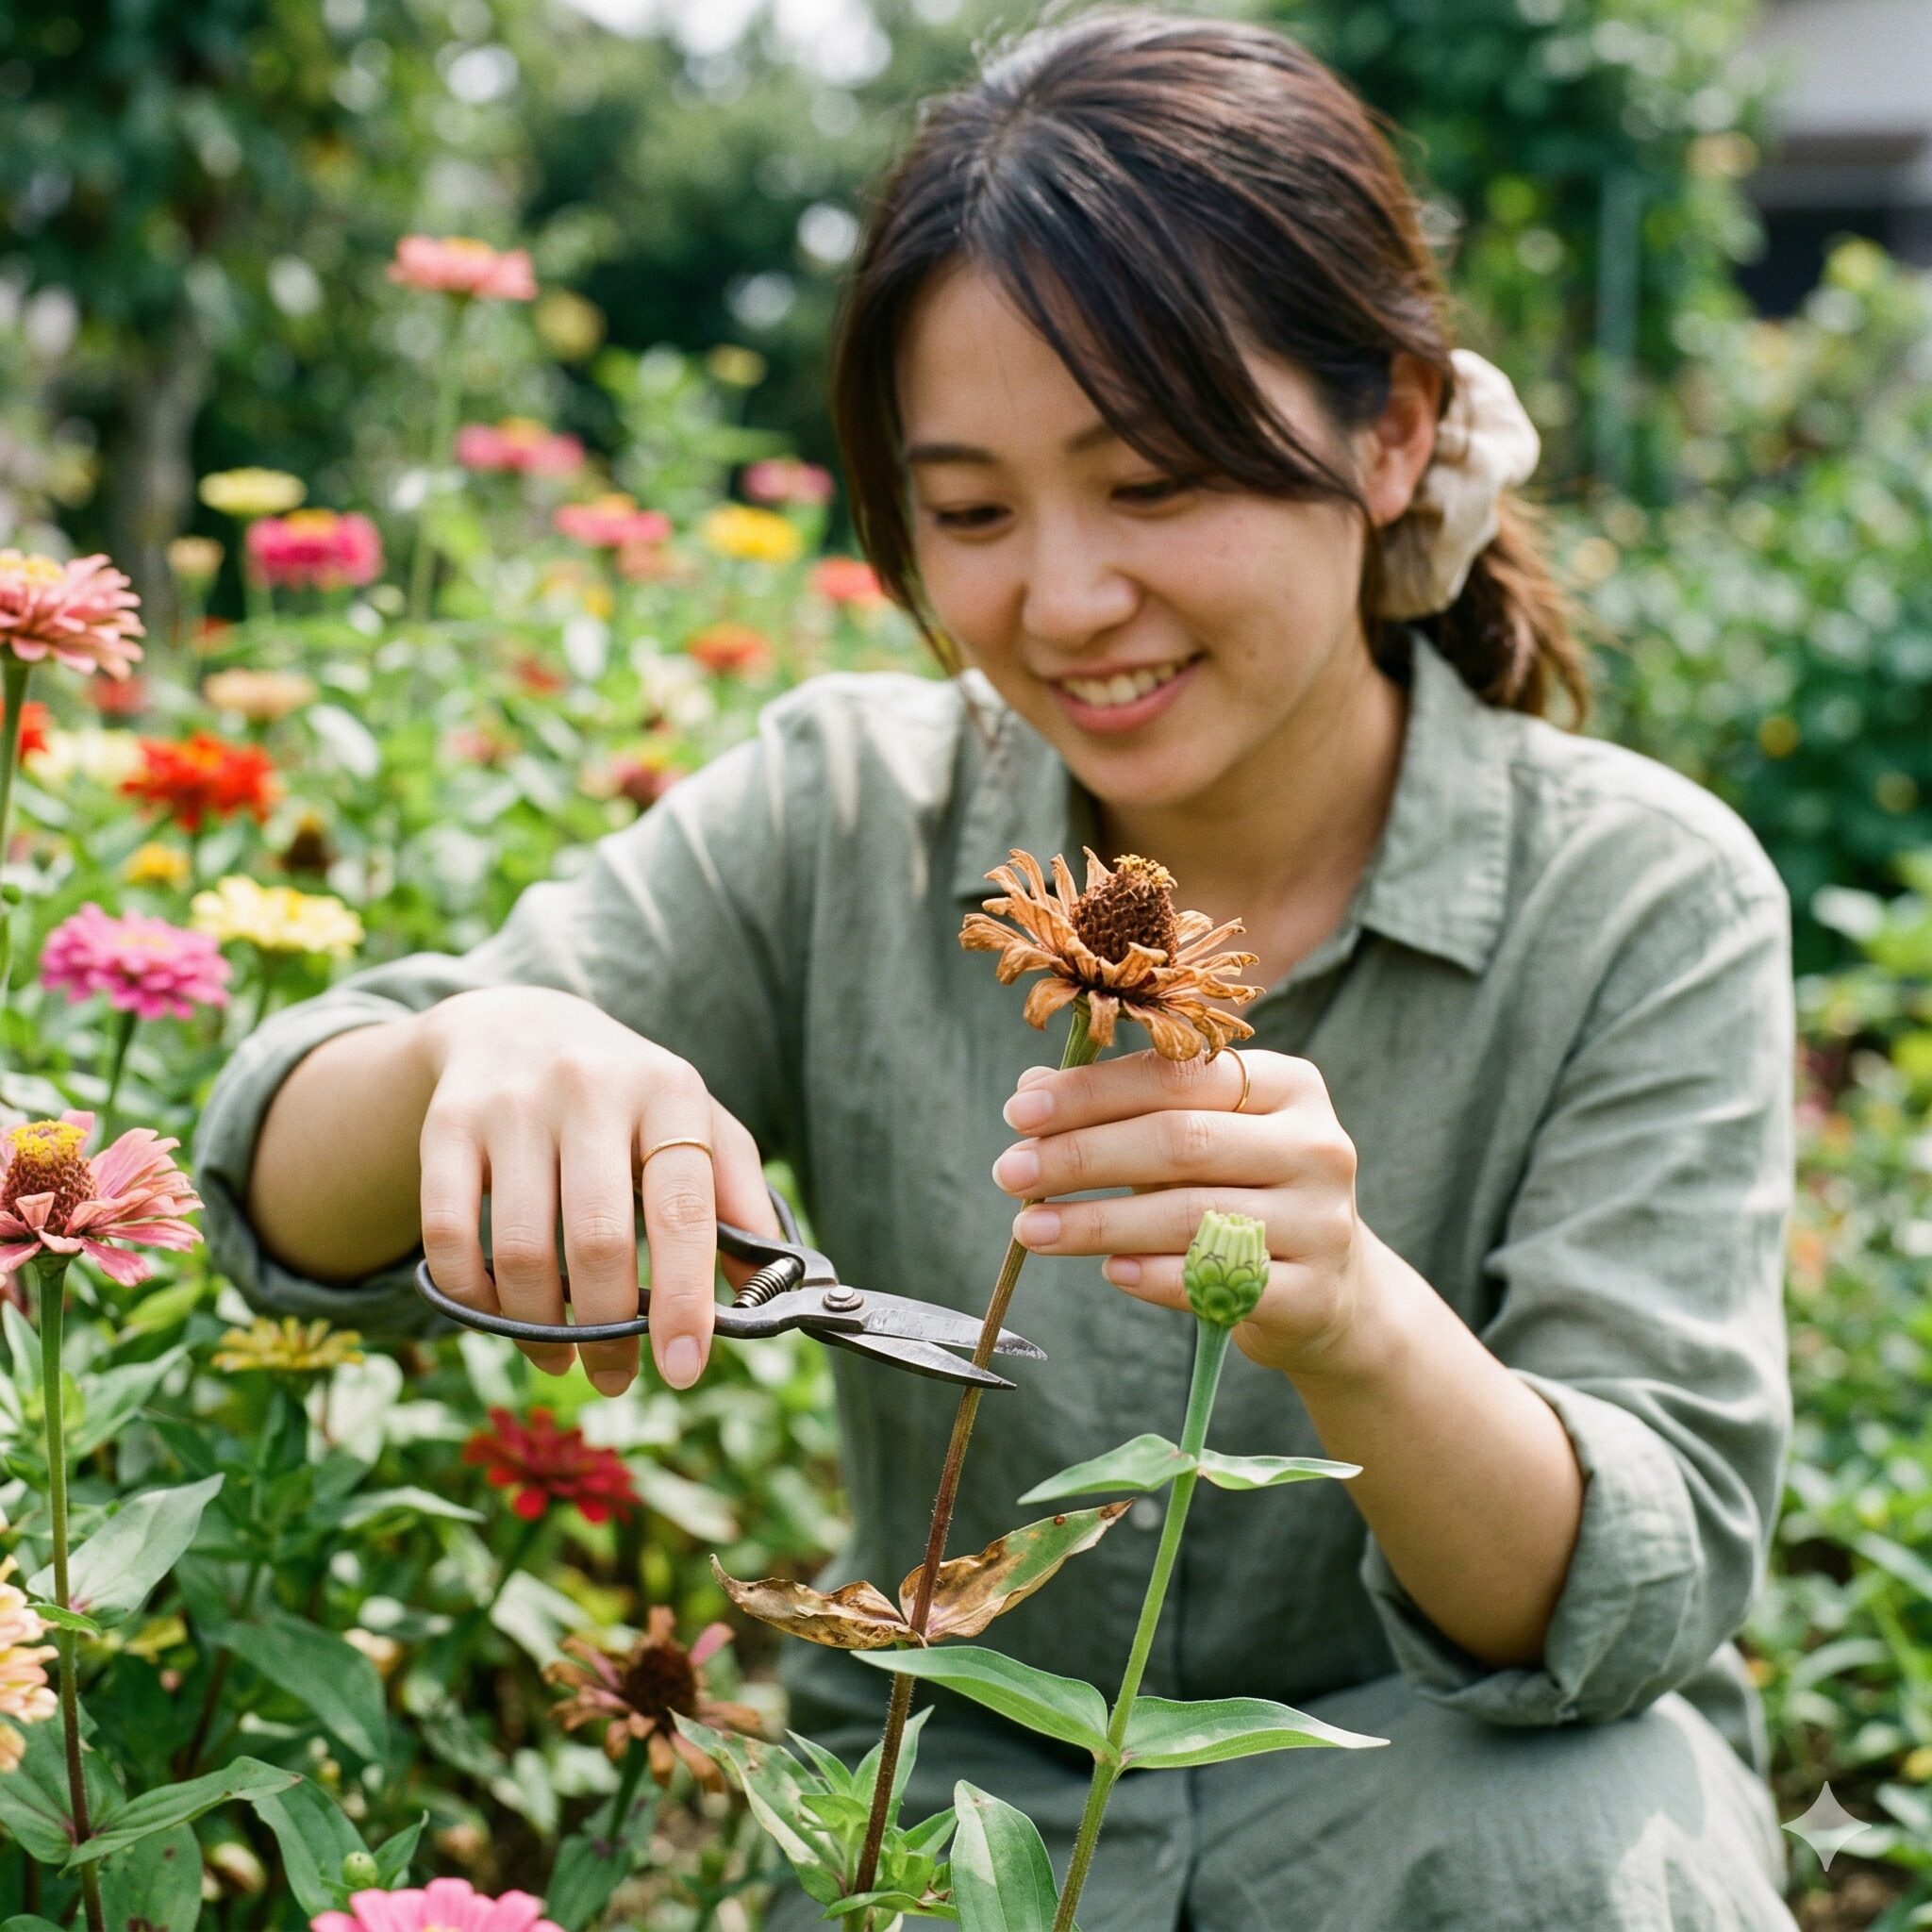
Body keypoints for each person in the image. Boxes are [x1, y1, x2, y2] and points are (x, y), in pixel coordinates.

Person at [193, 12, 1800, 1928]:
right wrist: (476, 1047)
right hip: (950, 1801)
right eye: (968, 511)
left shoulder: (1638, 896)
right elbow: (270, 1189)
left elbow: (1630, 1593)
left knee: (1593, 1842)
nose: (1064, 600)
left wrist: (1357, 1324)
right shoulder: (845, 814)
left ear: (1387, 434)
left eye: (1155, 482)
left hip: (1431, 1802)